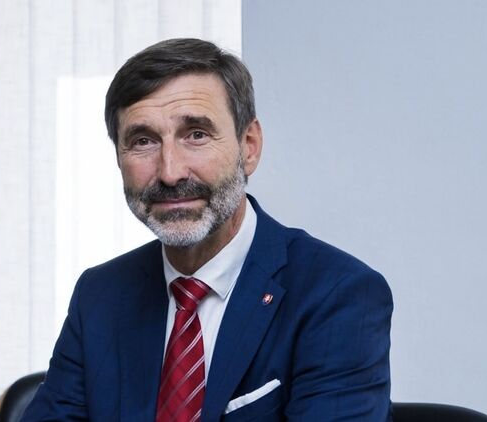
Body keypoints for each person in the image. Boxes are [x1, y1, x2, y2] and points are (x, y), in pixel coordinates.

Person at [22, 38, 393, 421]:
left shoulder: (337, 295)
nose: (170, 172)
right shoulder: (100, 295)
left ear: (249, 146)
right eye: (143, 141)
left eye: (196, 134)